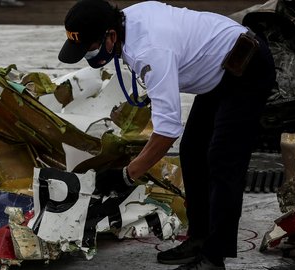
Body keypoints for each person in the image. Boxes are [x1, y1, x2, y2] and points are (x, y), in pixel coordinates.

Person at [57, 0, 276, 269]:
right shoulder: (126, 22)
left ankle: (213, 258)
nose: (87, 54)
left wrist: (127, 174)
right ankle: (199, 239)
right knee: (193, 151)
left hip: (247, 66)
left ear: (110, 36)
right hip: (219, 68)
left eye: (88, 47)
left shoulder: (150, 50)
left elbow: (167, 131)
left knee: (223, 160)